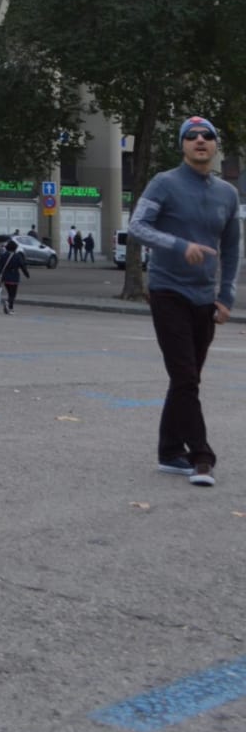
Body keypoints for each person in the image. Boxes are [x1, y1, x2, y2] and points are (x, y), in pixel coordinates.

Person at [127, 116, 240, 486]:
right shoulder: (164, 183)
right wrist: (179, 245)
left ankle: (169, 451)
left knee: (185, 380)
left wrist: (225, 297)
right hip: (167, 291)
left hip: (204, 298)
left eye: (207, 135)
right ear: (182, 145)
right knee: (185, 377)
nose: (200, 140)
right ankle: (201, 457)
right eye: (190, 136)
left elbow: (233, 248)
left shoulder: (227, 193)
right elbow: (138, 227)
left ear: (215, 144)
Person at [0, 236, 30, 312]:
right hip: (14, 277)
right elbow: (22, 266)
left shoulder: (3, 256)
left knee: (10, 293)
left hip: (6, 278)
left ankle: (10, 308)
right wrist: (26, 274)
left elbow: (0, 268)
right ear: (15, 248)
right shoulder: (17, 256)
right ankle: (8, 304)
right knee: (13, 294)